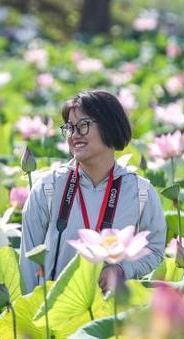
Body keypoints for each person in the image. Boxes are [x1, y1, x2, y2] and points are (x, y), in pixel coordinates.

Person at [19, 90, 166, 293]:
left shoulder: (141, 193)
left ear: (110, 126)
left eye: (83, 125)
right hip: (55, 316)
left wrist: (122, 269)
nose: (75, 135)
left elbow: (155, 251)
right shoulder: (48, 188)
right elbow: (28, 265)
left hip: (113, 315)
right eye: (69, 128)